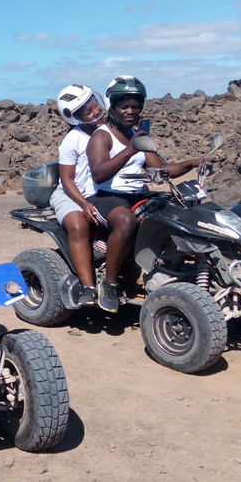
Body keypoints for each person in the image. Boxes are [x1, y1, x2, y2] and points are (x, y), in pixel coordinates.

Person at [87, 75, 204, 313]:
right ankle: (109, 284)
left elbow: (160, 169)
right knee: (126, 220)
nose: (131, 111)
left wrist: (191, 163)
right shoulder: (102, 135)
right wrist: (130, 150)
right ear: (113, 108)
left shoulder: (136, 135)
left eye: (135, 106)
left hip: (137, 193)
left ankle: (171, 269)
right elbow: (99, 174)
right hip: (107, 196)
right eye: (124, 106)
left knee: (178, 209)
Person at [50, 84, 105, 306]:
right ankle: (88, 288)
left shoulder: (110, 131)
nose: (95, 111)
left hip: (100, 193)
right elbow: (67, 179)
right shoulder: (74, 139)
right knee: (78, 226)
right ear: (75, 118)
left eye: (95, 105)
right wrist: (83, 204)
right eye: (88, 111)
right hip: (71, 194)